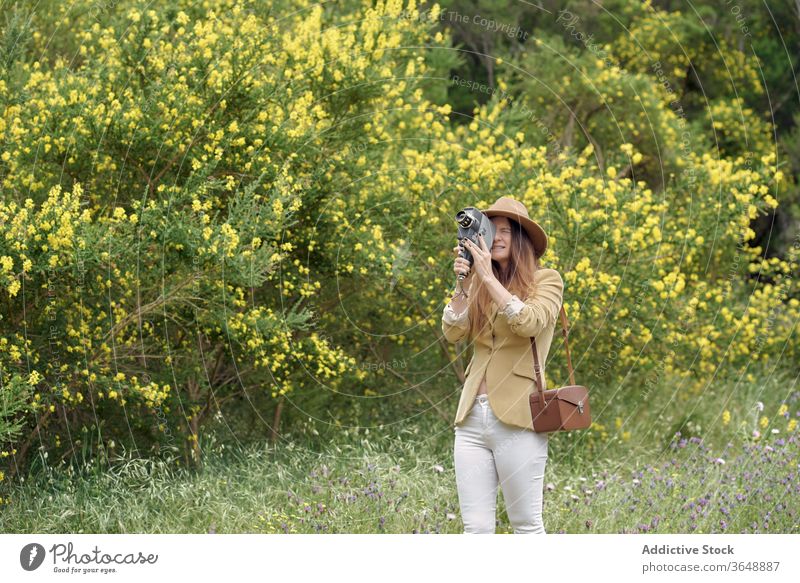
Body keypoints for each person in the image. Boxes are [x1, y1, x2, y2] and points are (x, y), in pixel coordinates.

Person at [442, 196, 564, 534]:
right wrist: (465, 281)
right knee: (476, 529)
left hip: (518, 419)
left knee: (525, 526)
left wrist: (487, 277)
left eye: (506, 231)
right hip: (470, 421)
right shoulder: (479, 282)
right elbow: (453, 331)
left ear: (522, 239)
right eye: (491, 229)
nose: (496, 236)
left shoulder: (547, 281)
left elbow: (528, 322)